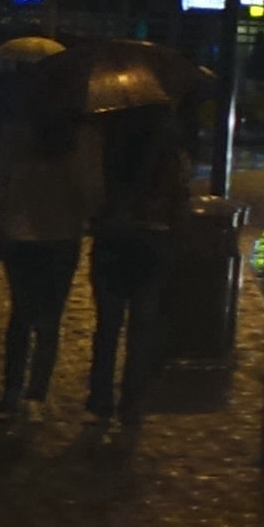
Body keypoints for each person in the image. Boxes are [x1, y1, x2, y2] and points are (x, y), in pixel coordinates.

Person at [0, 54, 103, 415]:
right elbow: (88, 190)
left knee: (20, 312)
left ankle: (11, 387)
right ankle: (38, 387)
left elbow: (0, 187)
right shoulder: (80, 136)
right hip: (61, 234)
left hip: (18, 234)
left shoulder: (16, 133)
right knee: (51, 315)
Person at [81, 55, 196, 418]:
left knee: (108, 325)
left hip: (114, 237)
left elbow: (92, 191)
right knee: (143, 323)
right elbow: (180, 195)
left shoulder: (107, 142)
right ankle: (132, 398)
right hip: (153, 239)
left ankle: (99, 398)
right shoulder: (169, 150)